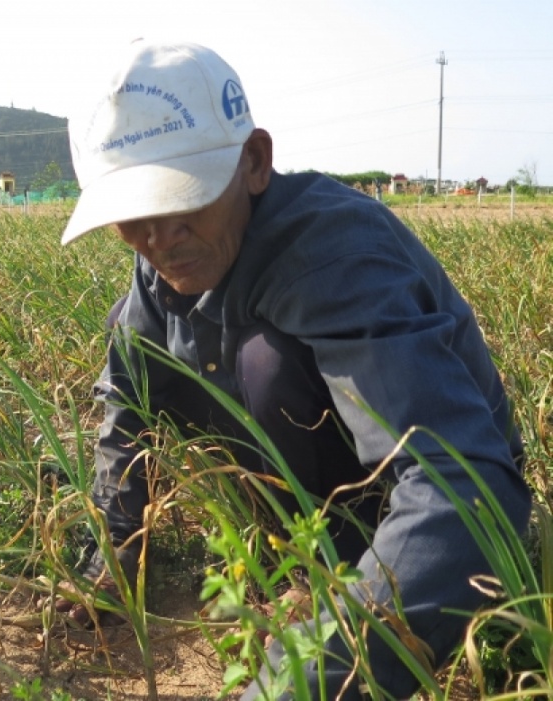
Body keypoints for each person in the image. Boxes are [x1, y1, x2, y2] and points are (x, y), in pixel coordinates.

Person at [54, 39, 532, 700]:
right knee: (147, 344)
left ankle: (348, 557)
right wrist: (112, 552)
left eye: (180, 200)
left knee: (262, 361)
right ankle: (300, 550)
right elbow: (127, 404)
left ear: (253, 163)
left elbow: (466, 485)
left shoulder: (333, 255)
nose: (158, 238)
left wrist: (302, 678)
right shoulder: (163, 261)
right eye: (132, 218)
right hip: (298, 501)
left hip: (393, 495)